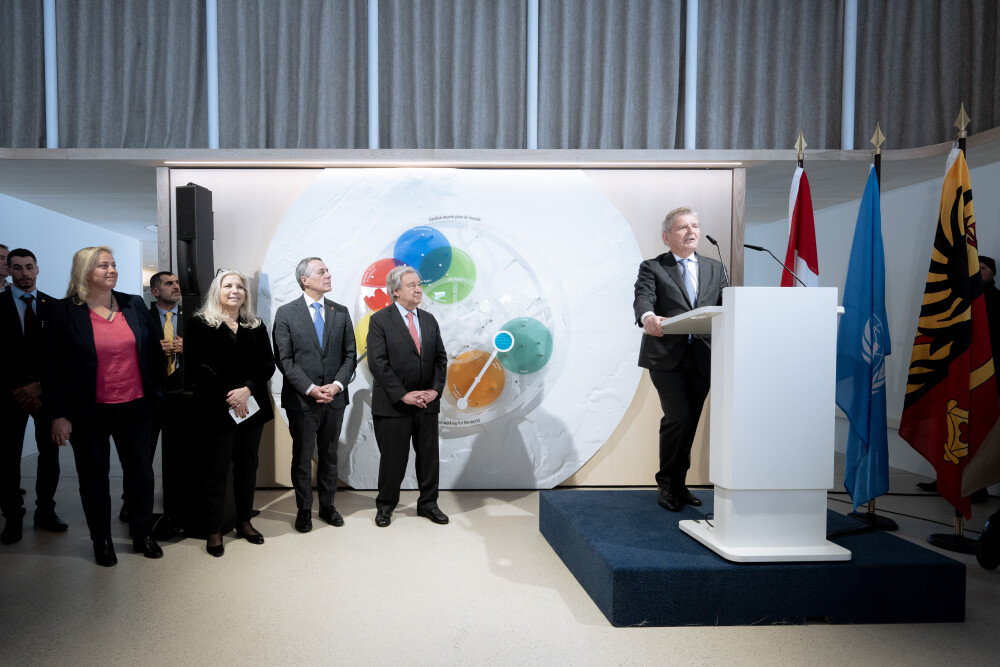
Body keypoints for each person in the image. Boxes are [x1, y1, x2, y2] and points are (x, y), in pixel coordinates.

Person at [46, 246, 164, 566]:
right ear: (85, 273)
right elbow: (52, 368)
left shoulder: (134, 304)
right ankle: (102, 540)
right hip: (89, 412)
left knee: (140, 473)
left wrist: (157, 397)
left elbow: (152, 353)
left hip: (136, 406)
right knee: (94, 476)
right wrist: (58, 414)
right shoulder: (64, 311)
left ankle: (142, 534)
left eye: (113, 265)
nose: (112, 270)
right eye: (103, 266)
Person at [633, 207, 728, 511]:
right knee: (679, 418)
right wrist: (647, 316)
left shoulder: (715, 268)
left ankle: (679, 484)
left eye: (695, 226)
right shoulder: (653, 267)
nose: (691, 232)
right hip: (666, 356)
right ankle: (666, 485)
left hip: (703, 356)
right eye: (682, 227)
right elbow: (643, 297)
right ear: (666, 236)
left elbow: (727, 305)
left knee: (690, 422)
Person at [185, 270, 274, 557]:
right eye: (228, 285)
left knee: (248, 467)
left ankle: (244, 522)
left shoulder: (254, 325)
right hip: (215, 408)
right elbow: (198, 367)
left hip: (251, 407)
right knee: (216, 469)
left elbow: (267, 365)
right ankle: (213, 529)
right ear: (217, 291)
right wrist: (232, 395)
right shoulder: (200, 323)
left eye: (240, 287)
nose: (235, 290)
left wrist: (246, 390)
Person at [272, 258, 356, 533]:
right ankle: (304, 509)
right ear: (305, 280)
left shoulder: (340, 312)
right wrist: (310, 388)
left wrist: (337, 385)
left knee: (330, 455)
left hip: (334, 398)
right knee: (302, 456)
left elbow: (349, 356)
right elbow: (284, 359)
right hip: (301, 400)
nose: (329, 274)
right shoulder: (286, 313)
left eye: (328, 270)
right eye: (322, 271)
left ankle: (328, 506)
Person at [367, 266, 449, 527]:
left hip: (426, 403)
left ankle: (428, 504)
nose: (418, 289)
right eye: (411, 285)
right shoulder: (380, 320)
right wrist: (404, 395)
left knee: (428, 459)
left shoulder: (429, 319)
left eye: (419, 284)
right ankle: (386, 506)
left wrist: (434, 391)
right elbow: (378, 364)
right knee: (393, 460)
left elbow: (440, 358)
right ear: (396, 291)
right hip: (394, 405)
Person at [1, 249, 67, 544]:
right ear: (9, 270)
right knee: (7, 459)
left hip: (46, 393)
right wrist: (17, 389)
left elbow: (64, 356)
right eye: (17, 267)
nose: (24, 273)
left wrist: (39, 385)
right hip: (8, 396)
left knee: (49, 455)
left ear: (37, 270)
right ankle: (13, 518)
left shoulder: (54, 308)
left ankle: (45, 512)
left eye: (29, 267)